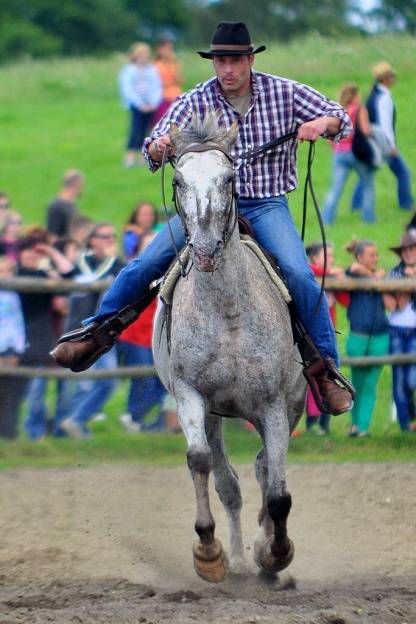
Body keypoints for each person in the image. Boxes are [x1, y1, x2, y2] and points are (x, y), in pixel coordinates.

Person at [54, 21, 354, 416]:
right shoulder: (195, 98)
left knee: (299, 274)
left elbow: (340, 118)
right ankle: (96, 333)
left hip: (264, 203)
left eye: (234, 60)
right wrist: (159, 147)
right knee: (146, 263)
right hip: (205, 208)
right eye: (220, 61)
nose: (227, 69)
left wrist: (323, 124)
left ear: (250, 60)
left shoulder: (286, 91)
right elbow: (152, 147)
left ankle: (324, 371)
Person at [60, 222, 125, 439]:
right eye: (104, 236)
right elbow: (64, 281)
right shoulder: (79, 264)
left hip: (103, 334)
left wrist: (114, 260)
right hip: (77, 332)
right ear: (92, 239)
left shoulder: (117, 266)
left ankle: (76, 420)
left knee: (108, 381)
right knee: (82, 385)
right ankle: (69, 429)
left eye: (112, 237)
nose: (109, 241)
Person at [17, 231, 75, 441]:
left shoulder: (43, 275)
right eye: (27, 251)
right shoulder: (17, 274)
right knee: (33, 391)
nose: (31, 255)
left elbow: (70, 273)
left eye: (35, 252)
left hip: (44, 339)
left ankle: (44, 432)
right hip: (24, 340)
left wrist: (50, 252)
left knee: (41, 389)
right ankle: (32, 432)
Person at [118, 233, 167, 433]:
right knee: (143, 377)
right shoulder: (138, 269)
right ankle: (133, 416)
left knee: (162, 380)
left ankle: (139, 418)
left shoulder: (168, 268)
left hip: (157, 334)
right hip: (136, 333)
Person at [352, 61, 414, 213]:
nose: (394, 78)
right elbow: (384, 123)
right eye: (392, 76)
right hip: (383, 144)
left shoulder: (373, 95)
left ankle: (356, 206)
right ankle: (406, 205)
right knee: (403, 173)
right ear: (386, 79)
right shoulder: (384, 98)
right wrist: (391, 146)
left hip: (374, 143)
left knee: (366, 175)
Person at [345, 239, 389, 437]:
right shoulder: (353, 272)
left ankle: (362, 427)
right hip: (358, 336)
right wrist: (376, 276)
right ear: (360, 257)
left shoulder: (379, 276)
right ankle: (354, 424)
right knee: (357, 383)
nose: (376, 258)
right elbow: (354, 268)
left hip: (381, 336)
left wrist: (378, 277)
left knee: (370, 384)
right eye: (372, 255)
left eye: (377, 255)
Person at [304, 242, 349, 434]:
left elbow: (345, 301)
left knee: (329, 374)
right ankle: (312, 422)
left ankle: (325, 421)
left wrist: (340, 281)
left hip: (329, 333)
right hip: (311, 334)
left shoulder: (329, 275)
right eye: (327, 255)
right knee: (316, 375)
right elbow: (307, 270)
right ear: (315, 258)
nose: (331, 259)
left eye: (332, 256)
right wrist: (330, 273)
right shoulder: (310, 272)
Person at [323, 84, 375, 224]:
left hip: (339, 153)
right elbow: (366, 131)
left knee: (335, 188)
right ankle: (369, 218)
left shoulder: (338, 111)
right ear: (355, 96)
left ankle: (327, 219)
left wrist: (336, 148)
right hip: (356, 153)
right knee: (367, 185)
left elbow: (329, 135)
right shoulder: (359, 109)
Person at [383, 232, 416, 432]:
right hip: (397, 329)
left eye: (412, 249)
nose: (409, 253)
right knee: (399, 378)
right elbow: (395, 306)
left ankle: (410, 414)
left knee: (412, 377)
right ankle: (405, 425)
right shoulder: (394, 274)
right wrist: (407, 284)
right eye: (406, 250)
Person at [119, 42, 162, 168]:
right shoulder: (129, 70)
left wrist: (153, 102)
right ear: (135, 55)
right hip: (137, 106)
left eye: (145, 54)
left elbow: (157, 86)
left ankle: (145, 156)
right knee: (136, 131)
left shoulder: (152, 70)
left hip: (150, 105)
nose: (143, 57)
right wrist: (139, 103)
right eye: (141, 54)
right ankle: (130, 156)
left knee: (149, 132)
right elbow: (127, 89)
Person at [0, 256, 26, 439]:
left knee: (9, 390)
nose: (5, 276)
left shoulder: (14, 295)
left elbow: (17, 322)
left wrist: (19, 346)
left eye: (8, 271)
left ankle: (8, 432)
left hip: (12, 346)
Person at [46, 170, 84, 241]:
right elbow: (52, 236)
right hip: (62, 250)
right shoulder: (57, 206)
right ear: (76, 184)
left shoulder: (71, 205)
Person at [153, 38, 184, 122]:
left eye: (171, 49)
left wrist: (172, 63)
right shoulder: (156, 65)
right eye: (167, 49)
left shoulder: (174, 64)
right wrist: (172, 82)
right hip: (163, 98)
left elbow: (180, 80)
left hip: (176, 97)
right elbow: (157, 84)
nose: (169, 51)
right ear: (160, 50)